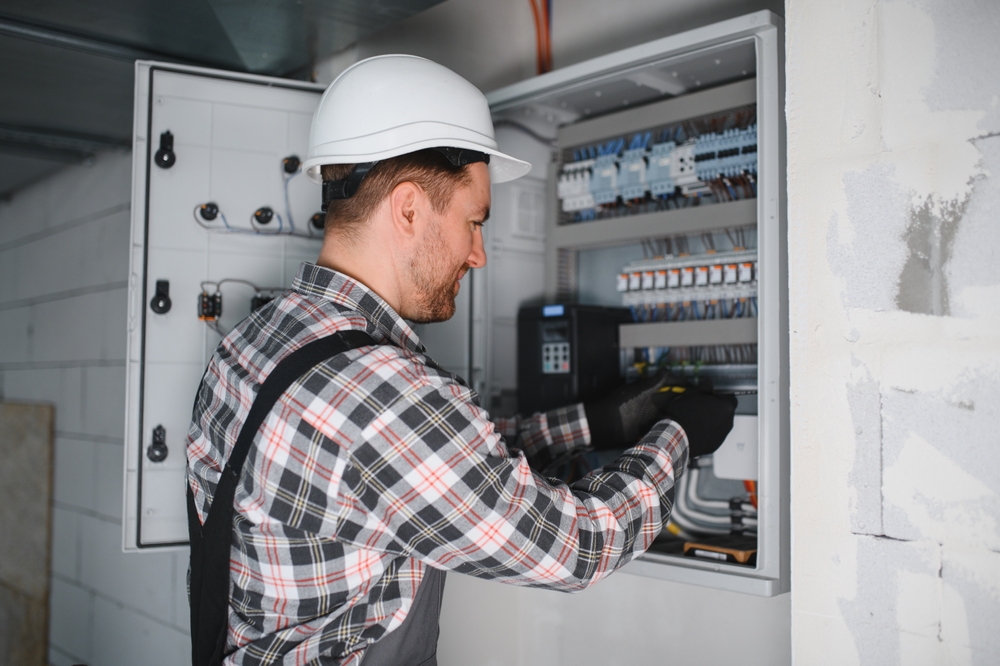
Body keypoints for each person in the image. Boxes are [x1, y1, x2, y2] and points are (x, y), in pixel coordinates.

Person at [185, 54, 737, 666]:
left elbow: (433, 470)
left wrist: (595, 425)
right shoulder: (385, 394)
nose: (477, 254)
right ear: (409, 209)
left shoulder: (251, 342)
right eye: (474, 222)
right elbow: (577, 547)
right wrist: (679, 437)